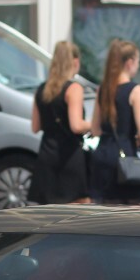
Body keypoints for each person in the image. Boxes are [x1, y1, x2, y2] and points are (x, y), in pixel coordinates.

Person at [89, 39, 140, 206]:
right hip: (126, 156)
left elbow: (95, 129)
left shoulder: (103, 89)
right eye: (138, 61)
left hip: (103, 154)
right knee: (132, 211)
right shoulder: (136, 90)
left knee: (106, 211)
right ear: (130, 63)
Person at [29, 41, 91, 204]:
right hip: (69, 155)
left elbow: (35, 127)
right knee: (79, 208)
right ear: (75, 62)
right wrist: (94, 125)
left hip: (46, 155)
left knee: (50, 213)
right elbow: (76, 125)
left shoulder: (41, 89)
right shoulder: (73, 88)